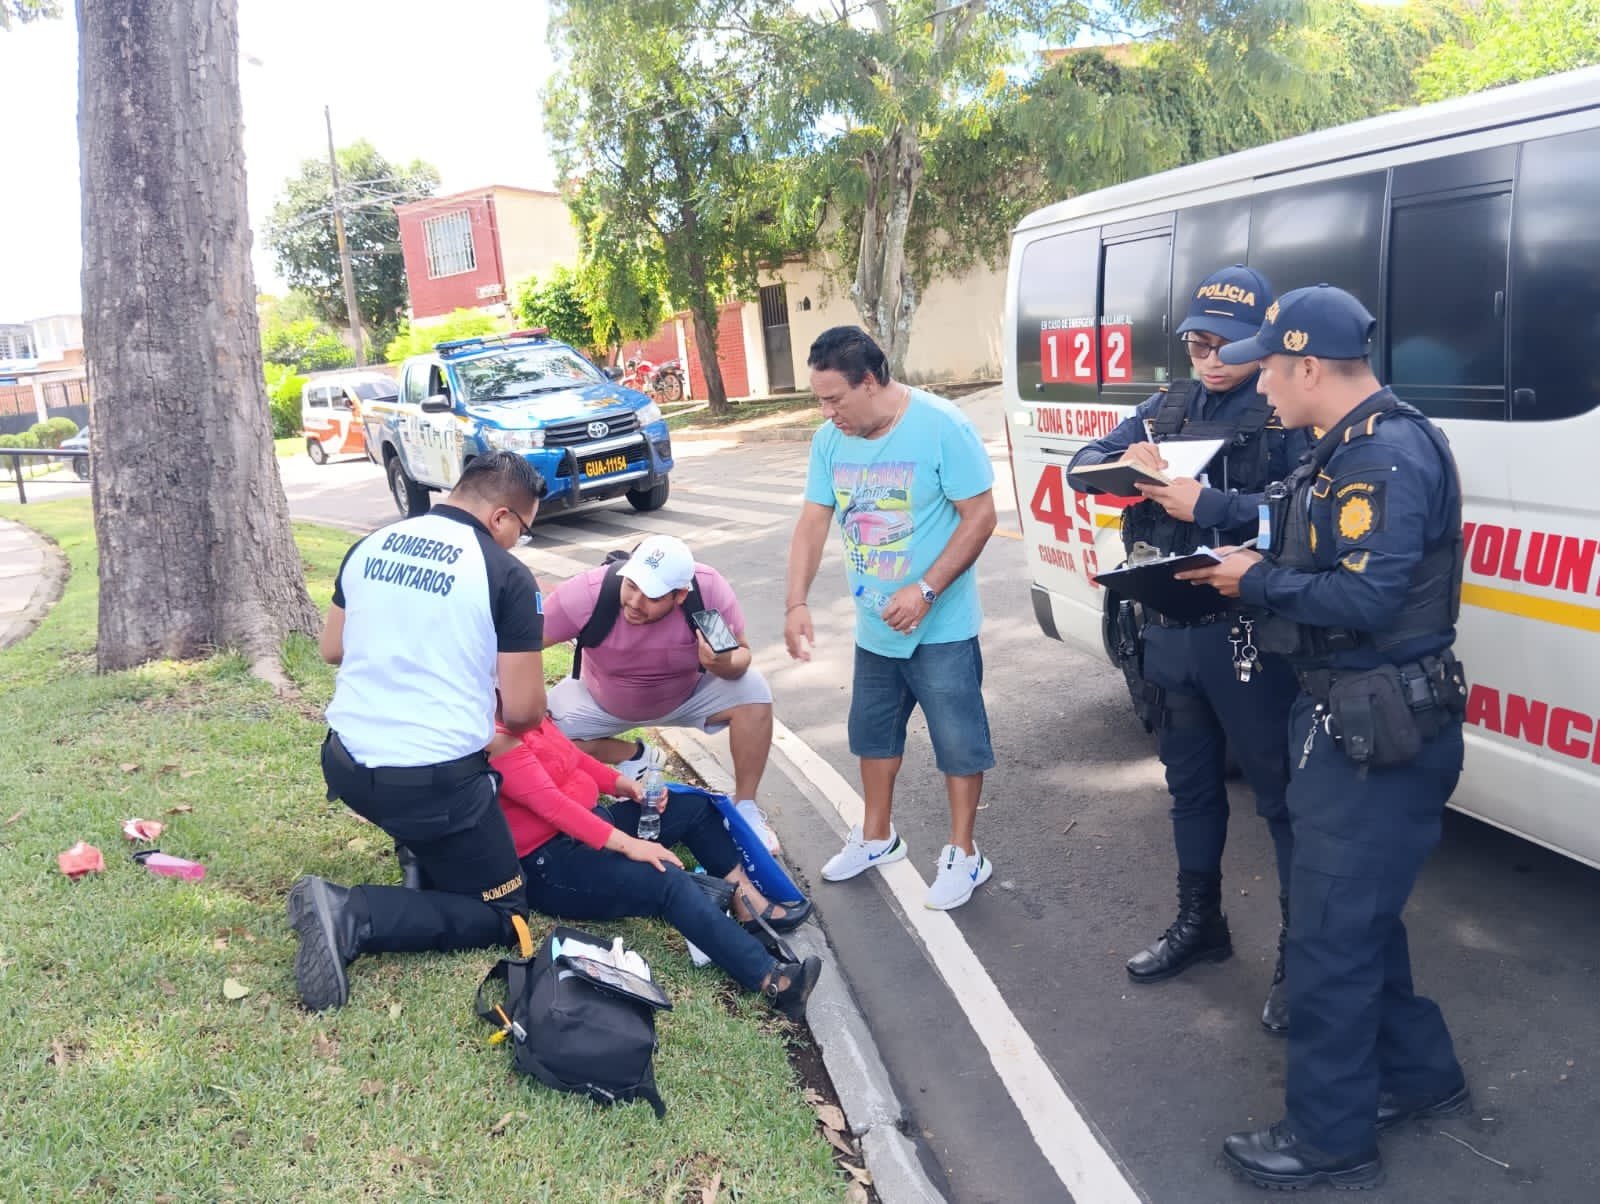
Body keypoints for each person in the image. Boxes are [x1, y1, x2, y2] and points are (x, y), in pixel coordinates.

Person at [1181, 285, 1470, 1190]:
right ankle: (1421, 1077)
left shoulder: (1384, 457)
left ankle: (1329, 1136)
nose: (1255, 382)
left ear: (1307, 366)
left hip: (1377, 726)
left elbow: (1367, 596)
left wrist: (1253, 584)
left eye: (1267, 366)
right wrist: (1217, 522)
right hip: (1357, 715)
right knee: (1360, 923)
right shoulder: (1342, 447)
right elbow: (1285, 517)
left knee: (1330, 940)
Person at [1066, 265, 1308, 1031]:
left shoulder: (1283, 410)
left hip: (1248, 640)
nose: (1208, 358)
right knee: (1192, 791)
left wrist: (1217, 505)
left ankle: (1302, 962)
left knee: (1282, 804)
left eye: (1223, 343)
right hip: (1170, 635)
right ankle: (1201, 925)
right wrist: (1129, 473)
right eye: (1197, 342)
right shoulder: (1167, 406)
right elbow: (1081, 469)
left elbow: (1304, 517)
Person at [287, 452, 549, 1012]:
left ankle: (420, 851)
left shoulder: (372, 545)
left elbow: (332, 648)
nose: (517, 542)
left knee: (438, 821)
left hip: (345, 763)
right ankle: (352, 914)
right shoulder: (505, 574)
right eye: (522, 531)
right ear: (503, 517)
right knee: (509, 916)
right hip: (433, 786)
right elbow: (526, 711)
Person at [785, 326, 999, 911]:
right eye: (819, 400)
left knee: (959, 742)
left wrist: (927, 589)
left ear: (872, 381)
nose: (827, 413)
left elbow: (979, 516)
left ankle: (964, 853)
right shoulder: (830, 441)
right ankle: (877, 837)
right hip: (875, 627)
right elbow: (812, 521)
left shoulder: (941, 426)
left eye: (835, 399)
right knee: (873, 737)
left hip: (942, 624)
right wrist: (796, 601)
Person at [487, 717, 821, 1019]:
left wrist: (625, 786)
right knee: (665, 878)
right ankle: (774, 981)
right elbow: (555, 807)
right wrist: (633, 845)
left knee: (694, 808)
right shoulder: (495, 737)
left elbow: (577, 762)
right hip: (553, 862)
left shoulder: (526, 713)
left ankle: (748, 906)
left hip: (594, 822)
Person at [541, 534, 781, 855]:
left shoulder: (706, 593)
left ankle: (747, 808)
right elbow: (522, 642)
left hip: (687, 694)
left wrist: (723, 662)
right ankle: (633, 756)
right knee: (538, 731)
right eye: (632, 586)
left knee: (754, 689)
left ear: (681, 595)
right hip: (603, 700)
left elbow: (741, 657)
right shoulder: (588, 593)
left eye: (652, 596)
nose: (635, 603)